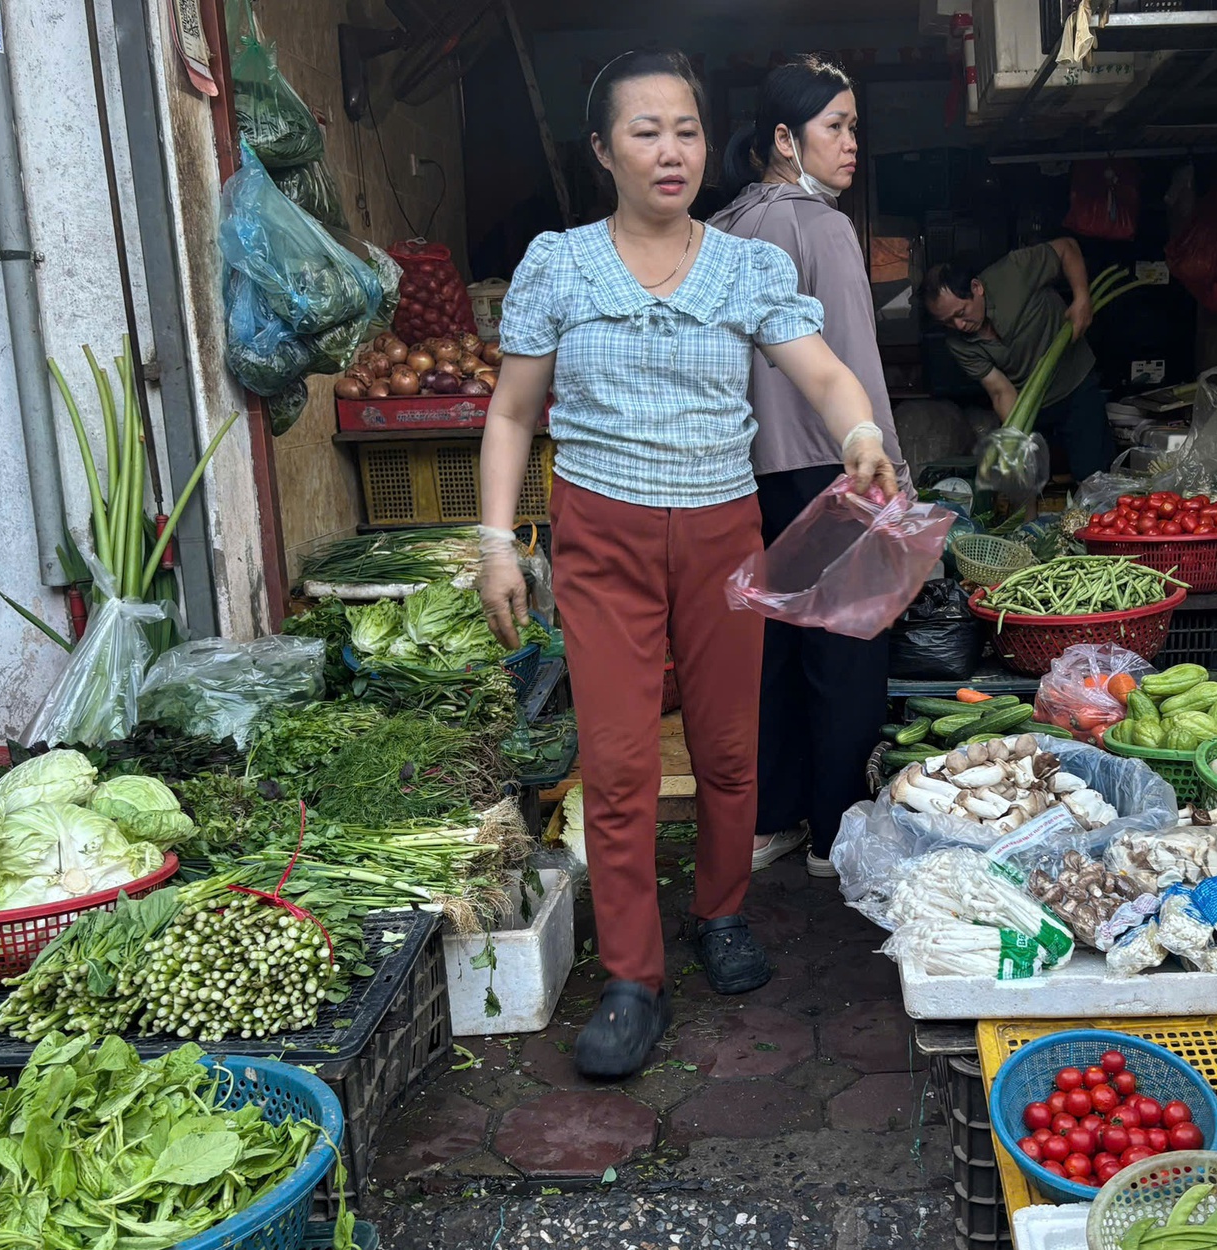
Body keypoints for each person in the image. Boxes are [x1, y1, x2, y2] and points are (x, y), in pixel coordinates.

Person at [475, 49, 896, 1081]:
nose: (670, 152)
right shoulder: (557, 264)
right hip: (600, 534)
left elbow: (825, 368)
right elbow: (513, 411)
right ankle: (631, 975)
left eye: (687, 131)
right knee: (617, 764)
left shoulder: (749, 265)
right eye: (644, 131)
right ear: (601, 150)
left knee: (727, 748)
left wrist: (857, 434)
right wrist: (494, 541)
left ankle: (718, 912)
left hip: (719, 529)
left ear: (713, 144)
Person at [708, 56, 906, 881]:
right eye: (838, 127)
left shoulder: (721, 226)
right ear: (785, 138)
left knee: (772, 648)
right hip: (833, 462)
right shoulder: (822, 226)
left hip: (747, 473)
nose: (852, 143)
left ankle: (768, 820)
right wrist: (888, 462)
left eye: (854, 125)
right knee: (846, 650)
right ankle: (835, 834)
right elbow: (851, 358)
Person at [921, 241, 1115, 481]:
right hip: (1032, 404)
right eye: (948, 322)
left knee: (1093, 476)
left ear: (976, 287)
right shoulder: (957, 343)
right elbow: (1000, 390)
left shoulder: (1014, 271)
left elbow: (1068, 248)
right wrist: (1016, 438)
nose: (959, 325)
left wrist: (1082, 297)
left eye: (961, 313)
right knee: (1028, 481)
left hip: (1076, 386)